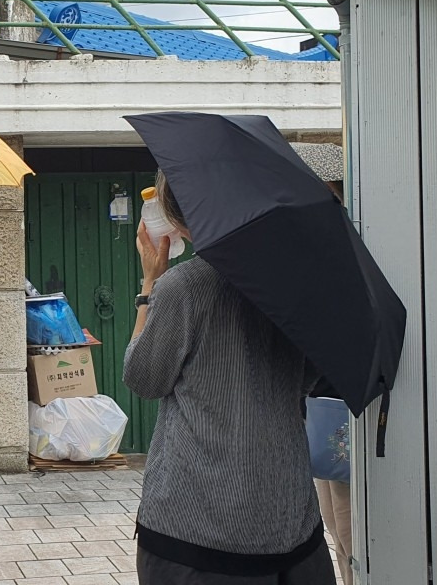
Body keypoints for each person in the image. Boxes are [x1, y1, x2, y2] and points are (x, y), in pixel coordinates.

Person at [124, 172, 336, 585]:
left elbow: (143, 379)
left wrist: (150, 282)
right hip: (288, 519)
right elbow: (308, 378)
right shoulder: (298, 283)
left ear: (177, 219)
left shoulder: (183, 286)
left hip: (195, 530)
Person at [292, 142, 353, 585]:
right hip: (320, 404)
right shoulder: (312, 250)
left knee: (352, 530)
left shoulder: (348, 249)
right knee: (335, 526)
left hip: (345, 403)